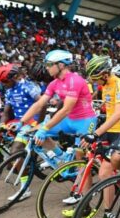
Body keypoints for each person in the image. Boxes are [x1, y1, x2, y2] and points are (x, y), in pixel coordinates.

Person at [67, 56, 120, 218]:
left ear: (104, 74)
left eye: (95, 78)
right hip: (109, 129)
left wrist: (95, 133)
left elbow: (118, 114)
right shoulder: (103, 85)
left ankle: (108, 216)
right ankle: (85, 204)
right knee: (85, 155)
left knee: (105, 172)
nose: (94, 81)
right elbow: (105, 108)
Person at [18, 50, 97, 201]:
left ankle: (82, 195)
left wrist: (45, 128)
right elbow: (40, 103)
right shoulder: (54, 83)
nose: (47, 68)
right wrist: (22, 122)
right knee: (36, 132)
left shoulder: (75, 80)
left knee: (82, 159)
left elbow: (66, 108)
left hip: (85, 121)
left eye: (49, 64)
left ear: (61, 65)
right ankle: (61, 157)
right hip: (68, 120)